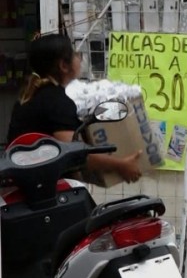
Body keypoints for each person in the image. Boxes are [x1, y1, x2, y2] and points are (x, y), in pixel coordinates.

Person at [6, 34, 141, 183]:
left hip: (27, 183)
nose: (80, 57)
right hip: (43, 190)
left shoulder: (29, 96)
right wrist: (121, 165)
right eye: (75, 54)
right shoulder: (57, 102)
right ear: (64, 65)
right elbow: (74, 155)